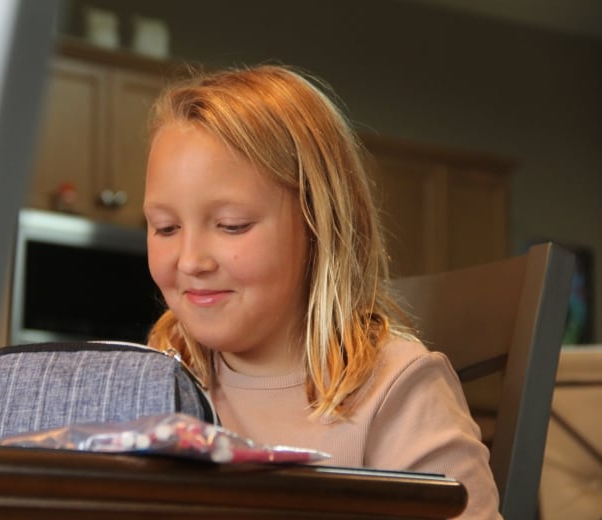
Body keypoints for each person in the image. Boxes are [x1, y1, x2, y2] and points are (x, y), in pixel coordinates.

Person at [142, 64, 501, 519]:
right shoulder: (154, 381)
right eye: (165, 228)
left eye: (232, 226)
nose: (190, 260)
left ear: (319, 224)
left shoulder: (396, 391)